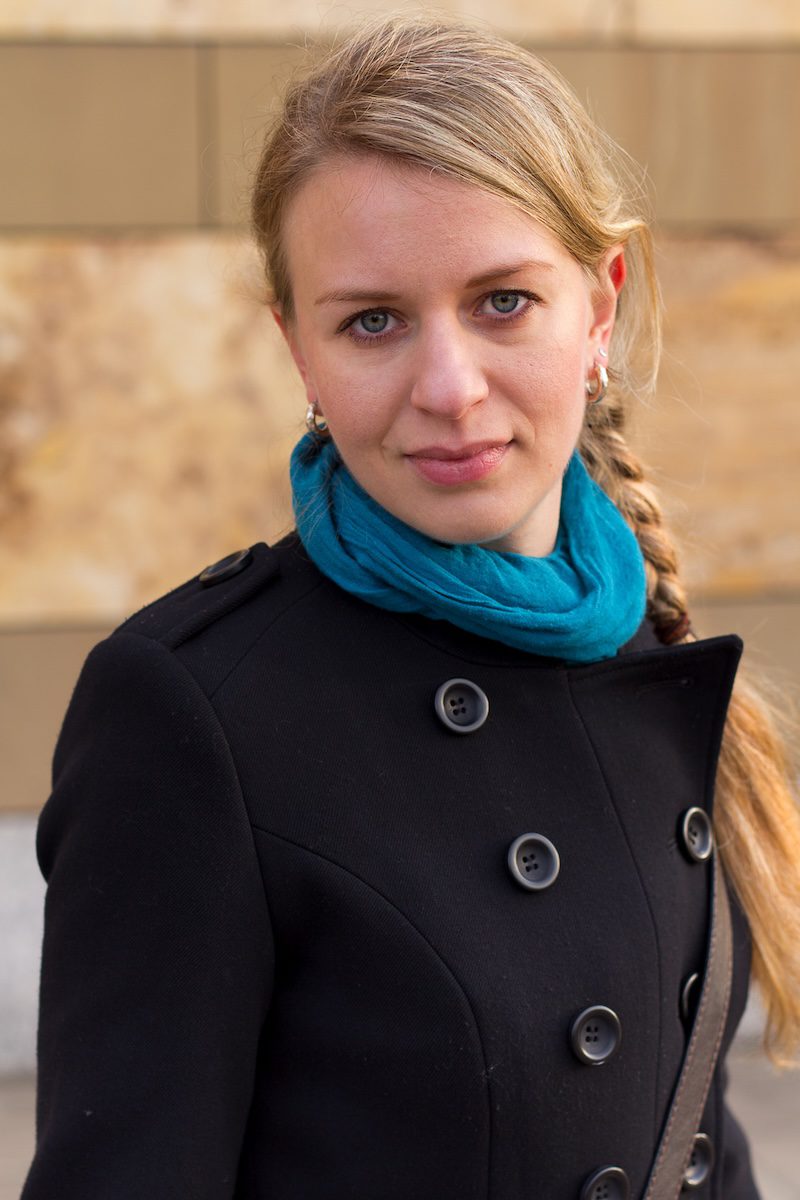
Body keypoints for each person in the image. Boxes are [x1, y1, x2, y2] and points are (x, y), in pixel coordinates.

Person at [22, 15, 800, 1200]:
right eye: (372, 321)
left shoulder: (646, 651)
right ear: (299, 352)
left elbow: (679, 1141)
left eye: (501, 302)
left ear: (598, 309)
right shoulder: (193, 711)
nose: (448, 389)